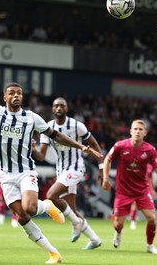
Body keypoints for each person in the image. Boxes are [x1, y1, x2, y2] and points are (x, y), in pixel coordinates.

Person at [0, 50, 102, 264]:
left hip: (25, 171)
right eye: (12, 93)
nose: (17, 96)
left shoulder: (31, 118)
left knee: (31, 208)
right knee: (22, 216)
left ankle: (47, 206)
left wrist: (80, 146)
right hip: (5, 175)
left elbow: (56, 135)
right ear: (5, 97)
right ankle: (54, 253)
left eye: (20, 93)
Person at [32, 97, 103, 250]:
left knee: (51, 195)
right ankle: (94, 239)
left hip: (76, 168)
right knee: (72, 210)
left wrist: (102, 167)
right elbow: (41, 156)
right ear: (52, 109)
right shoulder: (47, 127)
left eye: (61, 106)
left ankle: (76, 223)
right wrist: (32, 150)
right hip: (61, 171)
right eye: (56, 106)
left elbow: (94, 144)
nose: (58, 108)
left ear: (66, 108)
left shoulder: (77, 125)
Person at [102, 119, 157, 254]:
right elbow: (107, 159)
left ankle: (150, 246)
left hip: (141, 190)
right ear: (130, 131)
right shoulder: (120, 146)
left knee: (152, 218)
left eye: (140, 129)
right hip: (123, 190)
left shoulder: (150, 150)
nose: (137, 131)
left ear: (145, 133)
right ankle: (118, 233)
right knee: (118, 224)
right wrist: (105, 178)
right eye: (135, 129)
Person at [129, 163, 156, 230]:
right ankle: (133, 221)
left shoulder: (150, 166)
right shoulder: (136, 164)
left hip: (147, 188)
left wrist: (152, 189)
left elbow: (150, 178)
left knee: (150, 207)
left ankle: (150, 222)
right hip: (138, 187)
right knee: (135, 204)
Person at [0, 163, 19, 228]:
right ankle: (1, 216)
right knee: (2, 200)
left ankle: (14, 219)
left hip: (12, 182)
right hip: (2, 183)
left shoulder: (14, 157)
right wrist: (0, 177)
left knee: (13, 200)